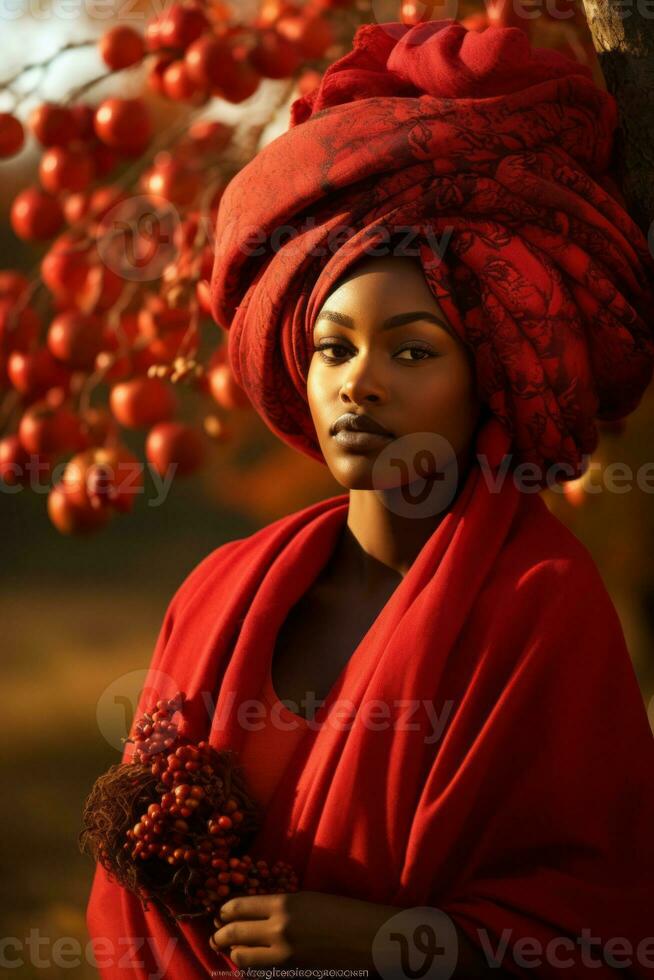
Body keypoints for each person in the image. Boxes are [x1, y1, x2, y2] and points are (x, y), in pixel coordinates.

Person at [86, 18, 654, 979]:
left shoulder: (541, 605)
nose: (359, 384)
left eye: (414, 351)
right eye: (333, 347)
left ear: (492, 376)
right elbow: (126, 908)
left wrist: (393, 944)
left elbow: (604, 926)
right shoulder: (219, 591)